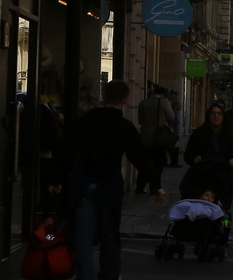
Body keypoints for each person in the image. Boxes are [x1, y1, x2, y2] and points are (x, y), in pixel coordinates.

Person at [61, 80, 165, 280]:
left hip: (85, 183)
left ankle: (85, 276)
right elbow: (139, 157)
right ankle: (109, 275)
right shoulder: (124, 126)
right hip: (109, 185)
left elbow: (67, 152)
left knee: (82, 237)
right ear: (125, 99)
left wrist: (58, 180)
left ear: (104, 96)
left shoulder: (84, 121)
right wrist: (155, 185)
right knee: (109, 235)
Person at [184, 104, 233, 207]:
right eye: (213, 113)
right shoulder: (200, 133)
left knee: (223, 202)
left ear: (223, 116)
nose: (216, 116)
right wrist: (194, 159)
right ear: (208, 116)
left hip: (225, 171)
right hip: (204, 172)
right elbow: (189, 154)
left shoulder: (232, 132)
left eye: (219, 114)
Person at [135, 85, 173, 195]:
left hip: (145, 136)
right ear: (163, 94)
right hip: (159, 137)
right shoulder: (163, 102)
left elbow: (140, 120)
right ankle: (154, 187)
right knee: (158, 164)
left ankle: (140, 187)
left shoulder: (143, 102)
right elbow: (171, 117)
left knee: (145, 163)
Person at [167, 97, 184, 167]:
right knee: (175, 148)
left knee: (172, 148)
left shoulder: (172, 113)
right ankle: (174, 162)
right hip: (174, 133)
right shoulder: (176, 114)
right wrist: (176, 134)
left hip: (171, 132)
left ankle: (173, 162)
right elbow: (177, 124)